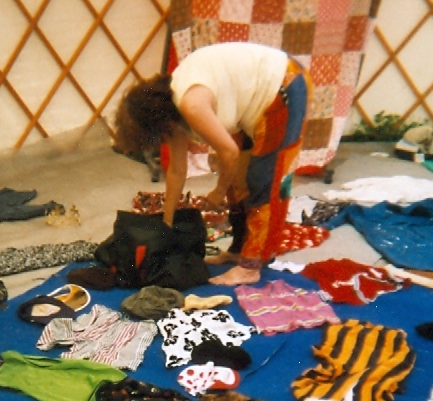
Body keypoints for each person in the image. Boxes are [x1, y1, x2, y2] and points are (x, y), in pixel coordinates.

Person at [113, 42, 310, 286]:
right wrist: (167, 222)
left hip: (284, 87)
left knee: (264, 181)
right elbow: (177, 170)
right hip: (252, 105)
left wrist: (217, 191)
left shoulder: (191, 104)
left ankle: (250, 267)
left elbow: (229, 153)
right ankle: (239, 250)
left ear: (156, 122)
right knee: (237, 181)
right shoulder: (173, 113)